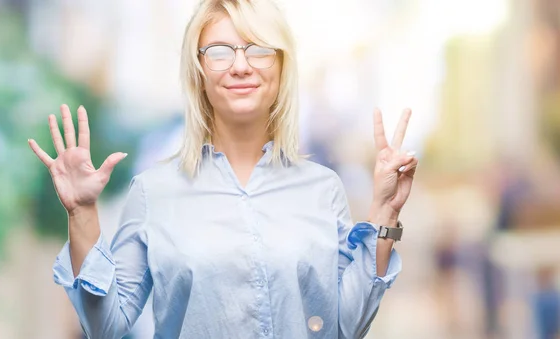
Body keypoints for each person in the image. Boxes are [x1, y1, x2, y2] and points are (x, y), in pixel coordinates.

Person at [27, 1, 418, 338]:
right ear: (198, 71)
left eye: (259, 49)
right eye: (219, 51)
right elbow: (106, 328)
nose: (241, 66)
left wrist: (385, 213)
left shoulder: (322, 188)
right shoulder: (153, 192)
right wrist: (81, 214)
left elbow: (347, 328)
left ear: (281, 66)